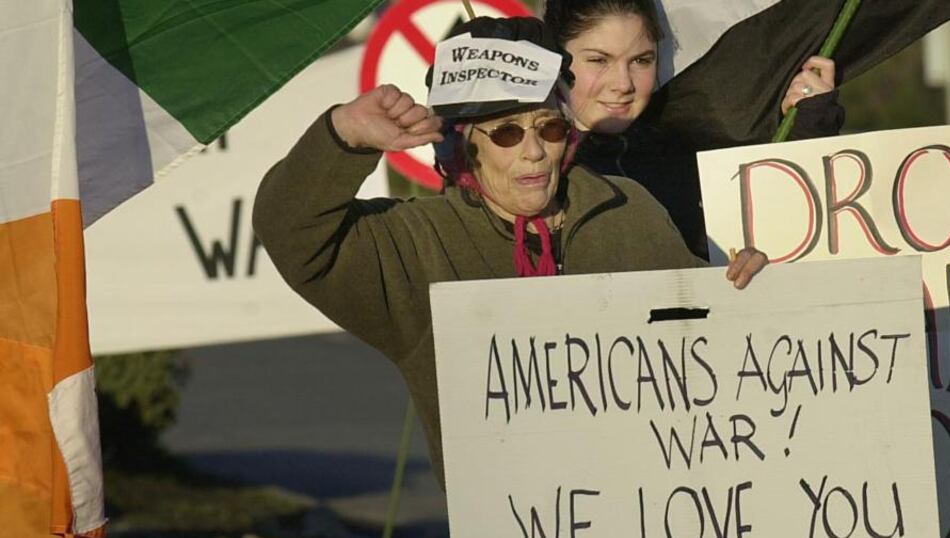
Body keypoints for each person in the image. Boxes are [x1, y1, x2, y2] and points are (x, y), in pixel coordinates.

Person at [253, 16, 767, 488]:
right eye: (505, 132)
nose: (533, 150)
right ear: (460, 147)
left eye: (548, 126)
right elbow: (294, 234)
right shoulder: (414, 244)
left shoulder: (630, 208)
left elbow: (705, 354)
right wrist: (343, 138)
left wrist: (745, 291)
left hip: (658, 524)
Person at [544, 0, 844, 260]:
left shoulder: (682, 153)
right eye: (598, 60)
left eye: (641, 60)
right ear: (555, 58)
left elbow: (788, 234)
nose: (623, 83)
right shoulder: (524, 156)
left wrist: (809, 127)